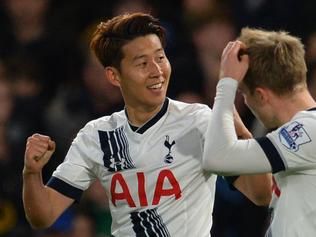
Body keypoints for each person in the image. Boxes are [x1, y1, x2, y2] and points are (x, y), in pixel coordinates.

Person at [23, 13, 271, 237]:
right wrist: (32, 173)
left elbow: (261, 194)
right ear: (114, 75)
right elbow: (43, 216)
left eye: (160, 58)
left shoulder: (198, 120)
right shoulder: (96, 136)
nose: (157, 71)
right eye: (142, 63)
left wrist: (231, 118)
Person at [204, 27, 316, 236]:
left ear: (261, 96)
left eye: (244, 93)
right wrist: (238, 129)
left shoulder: (309, 129)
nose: (245, 101)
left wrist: (225, 85)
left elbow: (216, 158)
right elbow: (262, 194)